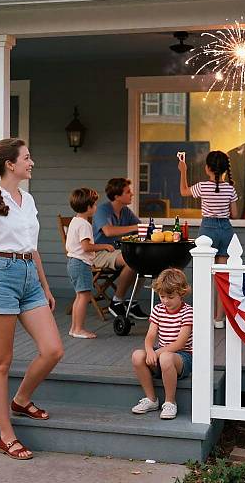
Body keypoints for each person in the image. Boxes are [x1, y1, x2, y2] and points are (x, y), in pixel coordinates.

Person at [0, 138, 64, 461]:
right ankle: (6, 435)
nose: (32, 163)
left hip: (29, 278)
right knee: (1, 362)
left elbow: (32, 248)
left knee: (53, 350)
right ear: (11, 164)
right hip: (0, 277)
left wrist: (45, 288)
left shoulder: (28, 200)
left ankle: (21, 399)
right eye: (27, 158)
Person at [178, 150, 238, 328]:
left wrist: (183, 170)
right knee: (222, 276)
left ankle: (203, 317)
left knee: (204, 275)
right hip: (226, 230)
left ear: (208, 168)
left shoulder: (203, 186)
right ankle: (219, 319)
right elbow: (234, 214)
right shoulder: (230, 188)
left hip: (208, 230)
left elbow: (183, 192)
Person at [130, 268, 192, 420]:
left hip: (182, 358)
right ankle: (152, 399)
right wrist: (150, 350)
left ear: (181, 293)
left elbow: (180, 343)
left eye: (170, 297)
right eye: (162, 296)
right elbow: (150, 335)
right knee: (137, 356)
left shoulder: (187, 312)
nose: (165, 301)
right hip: (161, 353)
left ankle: (170, 402)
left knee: (165, 357)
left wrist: (157, 353)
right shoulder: (158, 310)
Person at [92, 178, 148, 320]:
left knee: (144, 260)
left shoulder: (125, 211)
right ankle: (116, 302)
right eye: (128, 192)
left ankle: (131, 301)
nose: (132, 194)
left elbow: (140, 228)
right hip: (99, 253)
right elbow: (108, 231)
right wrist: (135, 228)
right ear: (117, 196)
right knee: (132, 260)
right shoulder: (102, 210)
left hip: (116, 252)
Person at [65, 187, 115, 339]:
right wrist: (105, 246)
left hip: (74, 262)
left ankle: (74, 328)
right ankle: (79, 329)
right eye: (94, 204)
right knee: (84, 296)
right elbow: (86, 247)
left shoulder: (75, 221)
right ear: (88, 207)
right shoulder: (85, 225)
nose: (96, 207)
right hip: (80, 263)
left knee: (80, 296)